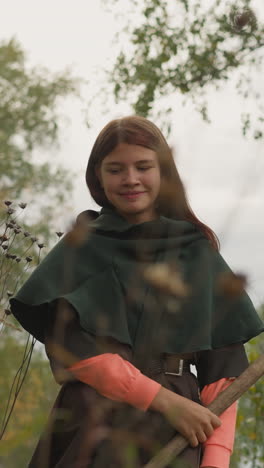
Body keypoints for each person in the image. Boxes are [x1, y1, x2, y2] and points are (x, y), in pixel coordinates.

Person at [10, 115, 264, 468]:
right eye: (115, 169)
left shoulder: (195, 251)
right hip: (92, 423)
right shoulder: (82, 248)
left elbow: (222, 372)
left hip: (181, 435)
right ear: (97, 176)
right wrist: (163, 401)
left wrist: (216, 460)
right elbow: (75, 348)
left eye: (143, 166)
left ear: (164, 173)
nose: (130, 179)